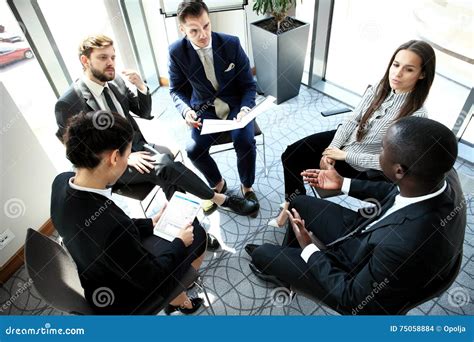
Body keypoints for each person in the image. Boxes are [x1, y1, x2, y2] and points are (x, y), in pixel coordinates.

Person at [245, 116, 466, 315]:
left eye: (382, 149)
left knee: (263, 254)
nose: (378, 151)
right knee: (298, 202)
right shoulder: (439, 175)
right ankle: (291, 264)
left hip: (357, 271)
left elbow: (353, 300)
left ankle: (293, 263)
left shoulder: (407, 245)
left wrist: (309, 247)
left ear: (399, 170)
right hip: (367, 232)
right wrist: (343, 184)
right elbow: (396, 191)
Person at [54, 35, 259, 246]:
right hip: (109, 166)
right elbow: (78, 154)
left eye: (113, 57)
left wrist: (141, 86)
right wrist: (125, 157)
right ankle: (219, 199)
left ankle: (195, 233)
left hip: (138, 148)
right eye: (103, 58)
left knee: (167, 172)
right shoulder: (69, 102)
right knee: (165, 164)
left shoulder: (114, 81)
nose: (111, 63)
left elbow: (143, 112)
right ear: (85, 61)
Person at [51, 111, 206, 315]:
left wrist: (150, 222)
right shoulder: (112, 227)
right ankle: (177, 296)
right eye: (129, 153)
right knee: (198, 235)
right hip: (125, 298)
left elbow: (113, 233)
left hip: (96, 270)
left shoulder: (61, 181)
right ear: (115, 157)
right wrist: (179, 242)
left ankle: (178, 296)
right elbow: (151, 278)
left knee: (168, 234)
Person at [271, 40, 436, 227]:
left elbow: (392, 163)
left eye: (408, 69)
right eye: (396, 65)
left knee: (300, 161)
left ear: (422, 74)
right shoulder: (381, 88)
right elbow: (353, 119)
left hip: (362, 165)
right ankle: (292, 205)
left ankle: (294, 211)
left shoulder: (417, 116)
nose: (397, 74)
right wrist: (332, 148)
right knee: (291, 155)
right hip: (344, 142)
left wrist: (345, 155)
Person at [168, 0, 259, 217]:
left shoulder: (231, 43)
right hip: (204, 110)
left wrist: (246, 108)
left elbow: (248, 85)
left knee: (245, 140)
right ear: (183, 29)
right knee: (193, 150)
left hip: (237, 106)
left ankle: (247, 187)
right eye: (194, 30)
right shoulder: (176, 52)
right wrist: (186, 111)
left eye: (206, 26)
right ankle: (218, 183)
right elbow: (176, 90)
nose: (203, 34)